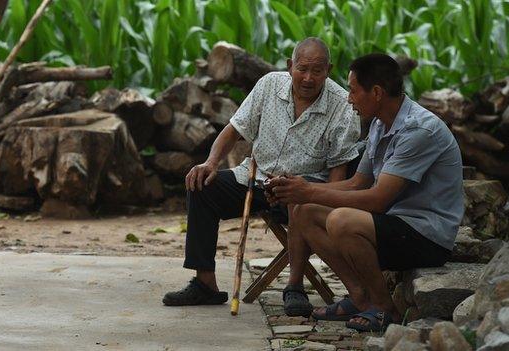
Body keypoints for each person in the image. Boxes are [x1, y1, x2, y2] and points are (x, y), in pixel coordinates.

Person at [267, 53, 463, 332]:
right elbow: (357, 183)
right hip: (396, 224)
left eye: (352, 90)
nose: (349, 99)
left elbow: (378, 200)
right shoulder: (380, 124)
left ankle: (385, 309)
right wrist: (296, 191)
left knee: (341, 220)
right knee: (304, 212)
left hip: (426, 236)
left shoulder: (418, 130)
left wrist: (308, 189)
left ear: (377, 93)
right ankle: (360, 298)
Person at [162, 38, 361, 311]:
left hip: (301, 189)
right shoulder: (269, 85)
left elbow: (338, 171)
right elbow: (234, 129)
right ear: (290, 66)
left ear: (329, 69)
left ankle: (295, 287)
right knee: (202, 185)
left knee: (300, 203)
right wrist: (210, 162)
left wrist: (324, 201)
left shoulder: (341, 105)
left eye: (317, 71)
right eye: (302, 69)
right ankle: (205, 283)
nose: (308, 78)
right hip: (254, 178)